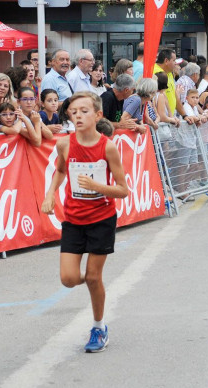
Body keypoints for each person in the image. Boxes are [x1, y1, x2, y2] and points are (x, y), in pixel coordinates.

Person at [41, 91, 129, 353]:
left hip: (101, 219)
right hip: (73, 218)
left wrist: (96, 186)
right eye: (73, 112)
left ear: (98, 115)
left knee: (93, 276)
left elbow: (123, 190)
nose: (77, 115)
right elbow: (59, 171)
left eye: (84, 111)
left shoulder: (107, 147)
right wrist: (50, 194)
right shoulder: (64, 144)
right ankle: (92, 282)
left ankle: (99, 327)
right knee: (68, 278)